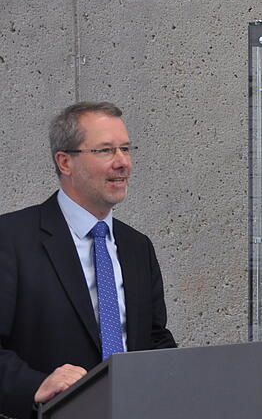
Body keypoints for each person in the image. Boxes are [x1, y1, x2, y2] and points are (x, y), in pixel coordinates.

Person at [0, 102, 176, 419]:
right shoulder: (10, 239)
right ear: (65, 162)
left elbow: (154, 338)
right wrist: (34, 386)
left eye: (125, 149)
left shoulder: (138, 247)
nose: (123, 163)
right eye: (106, 151)